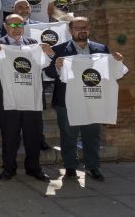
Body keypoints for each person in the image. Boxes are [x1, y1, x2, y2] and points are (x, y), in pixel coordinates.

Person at [45, 16, 124, 182]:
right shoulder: (59, 50)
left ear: (89, 29)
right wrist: (57, 67)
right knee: (68, 136)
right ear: (70, 30)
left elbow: (108, 73)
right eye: (77, 28)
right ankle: (70, 168)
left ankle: (93, 167)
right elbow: (49, 74)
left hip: (92, 99)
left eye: (85, 27)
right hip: (66, 101)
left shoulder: (101, 49)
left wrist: (115, 60)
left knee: (92, 135)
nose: (82, 31)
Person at [0, 14, 54, 182]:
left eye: (20, 24)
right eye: (12, 24)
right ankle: (9, 168)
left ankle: (34, 168)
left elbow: (50, 70)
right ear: (5, 26)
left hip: (31, 98)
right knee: (9, 136)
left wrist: (50, 54)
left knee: (33, 135)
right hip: (7, 100)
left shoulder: (34, 45)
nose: (16, 27)